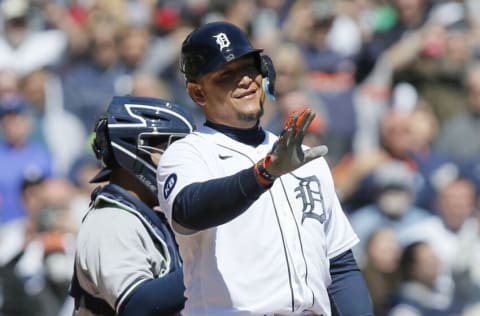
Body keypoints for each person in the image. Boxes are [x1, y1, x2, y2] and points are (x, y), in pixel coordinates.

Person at [157, 21, 373, 316]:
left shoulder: (304, 157)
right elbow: (188, 210)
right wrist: (263, 175)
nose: (245, 80)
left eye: (249, 67)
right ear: (197, 94)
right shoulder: (187, 154)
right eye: (225, 75)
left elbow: (340, 265)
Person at [70, 95, 195, 316]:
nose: (180, 163)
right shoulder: (111, 221)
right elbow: (138, 305)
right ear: (133, 152)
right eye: (169, 150)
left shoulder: (146, 215)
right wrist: (207, 267)